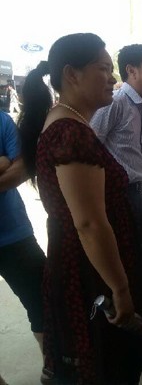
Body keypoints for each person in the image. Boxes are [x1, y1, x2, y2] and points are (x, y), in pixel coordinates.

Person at [17, 33, 142, 384]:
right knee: (107, 366)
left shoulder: (69, 123)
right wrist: (120, 289)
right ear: (71, 74)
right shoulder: (70, 133)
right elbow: (89, 223)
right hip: (91, 273)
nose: (112, 77)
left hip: (88, 265)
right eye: (103, 68)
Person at [90, 44, 142, 350]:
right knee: (126, 269)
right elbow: (91, 144)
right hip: (117, 198)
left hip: (134, 194)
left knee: (136, 266)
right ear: (131, 71)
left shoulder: (140, 105)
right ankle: (134, 342)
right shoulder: (116, 103)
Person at [0, 110, 46, 384]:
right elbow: (11, 164)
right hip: (15, 233)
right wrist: (2, 161)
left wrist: (9, 163)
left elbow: (23, 168)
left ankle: (53, 367)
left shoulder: (1, 120)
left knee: (43, 301)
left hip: (14, 233)